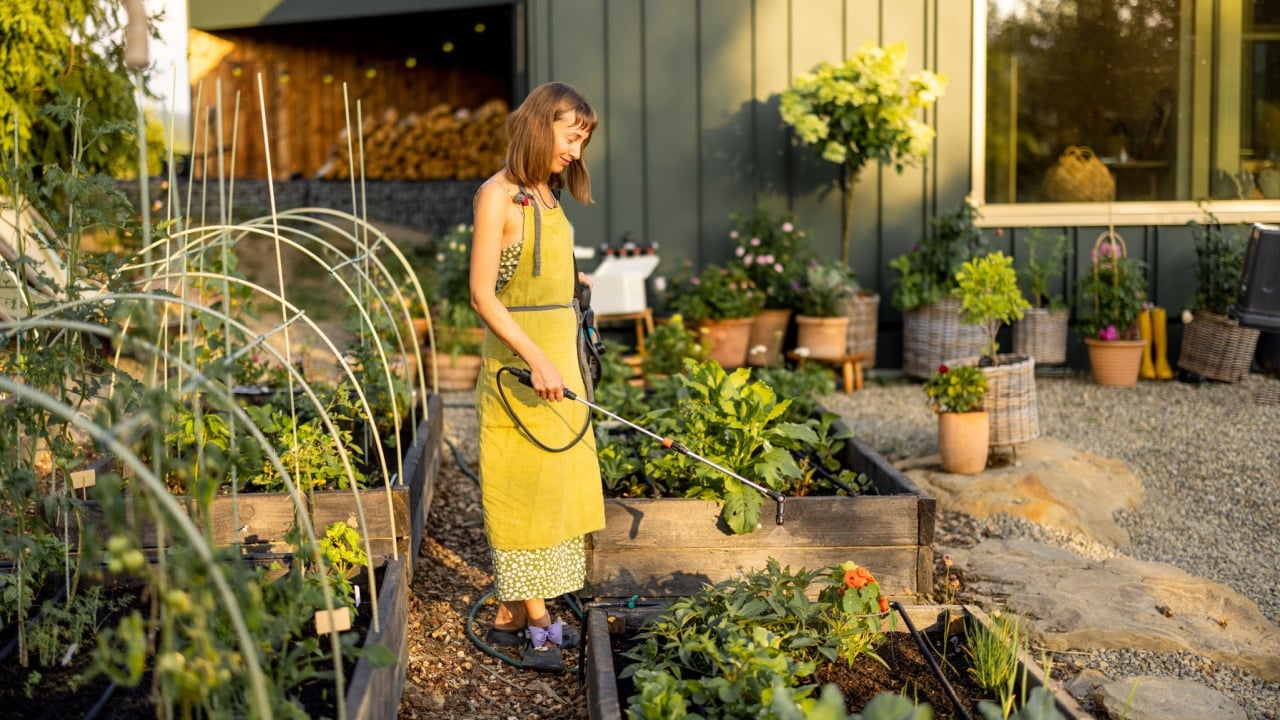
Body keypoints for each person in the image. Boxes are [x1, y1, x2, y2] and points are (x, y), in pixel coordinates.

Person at [468, 81, 605, 672]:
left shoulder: (547, 196)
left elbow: (532, 268)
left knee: (557, 488)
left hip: (561, 358)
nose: (575, 152)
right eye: (570, 137)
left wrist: (571, 287)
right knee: (520, 491)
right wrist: (535, 357)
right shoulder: (496, 195)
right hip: (521, 370)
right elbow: (482, 294)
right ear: (539, 125)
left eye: (581, 142)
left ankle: (512, 613)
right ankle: (538, 622)